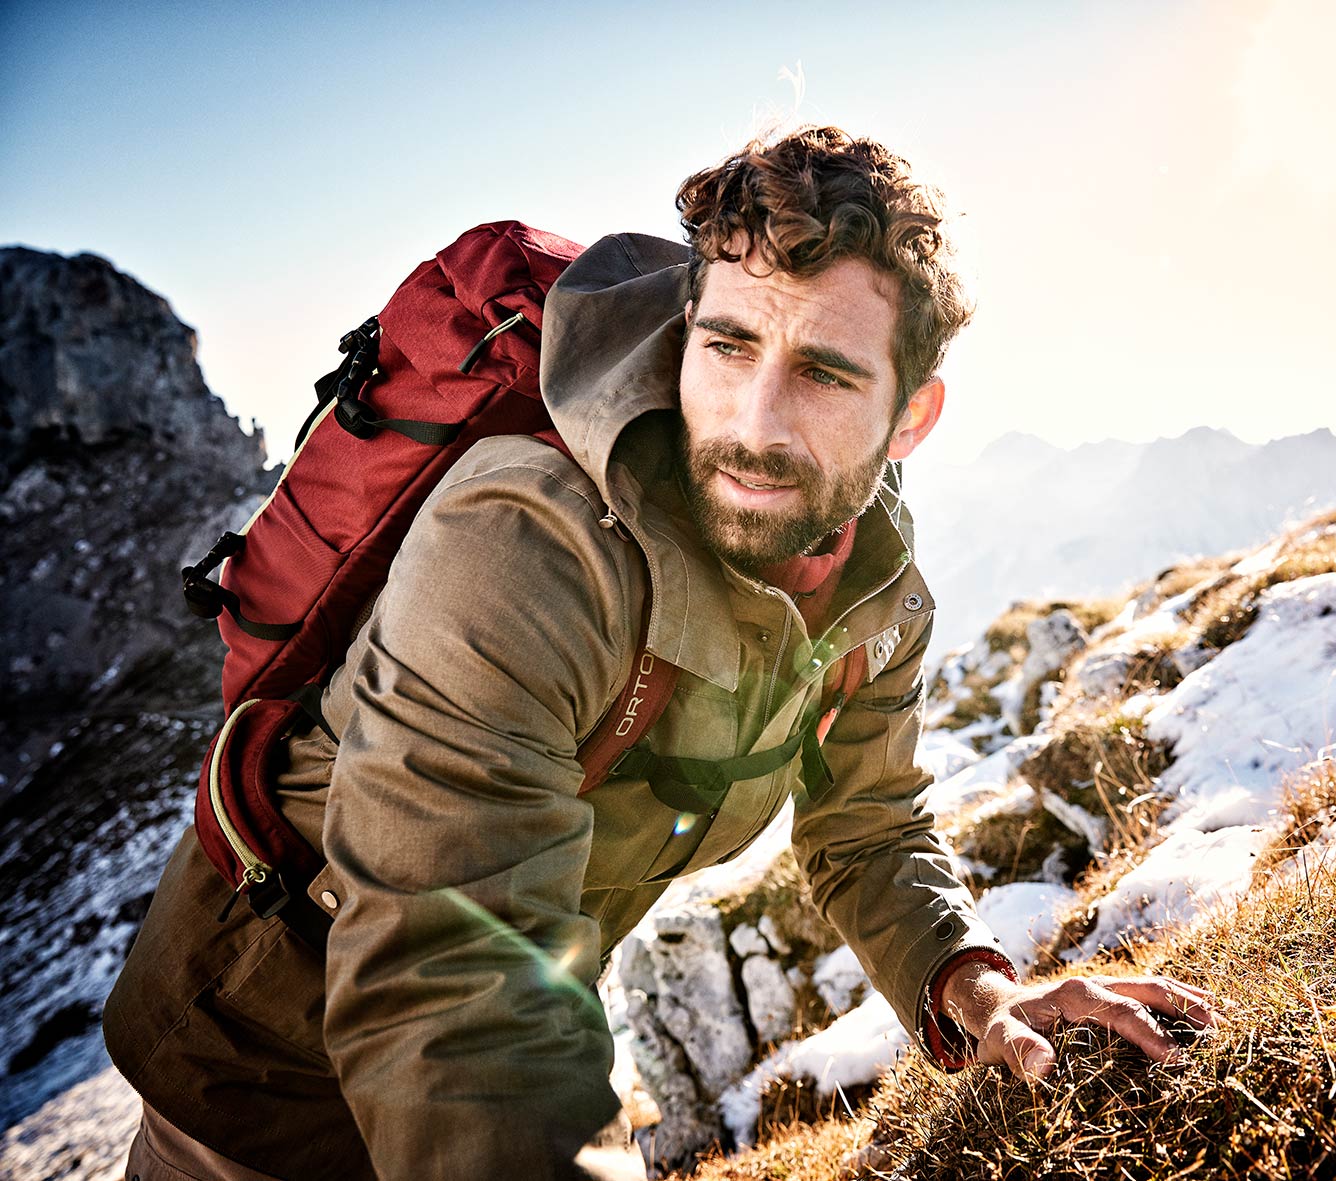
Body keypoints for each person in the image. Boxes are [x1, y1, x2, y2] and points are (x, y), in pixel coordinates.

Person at [104, 127, 1217, 1181]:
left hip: (536, 1003)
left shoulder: (872, 583)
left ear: (909, 415)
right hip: (255, 1071)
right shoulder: (527, 537)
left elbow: (866, 823)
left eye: (825, 373)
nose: (752, 420)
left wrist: (970, 984)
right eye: (727, 344)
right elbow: (448, 973)